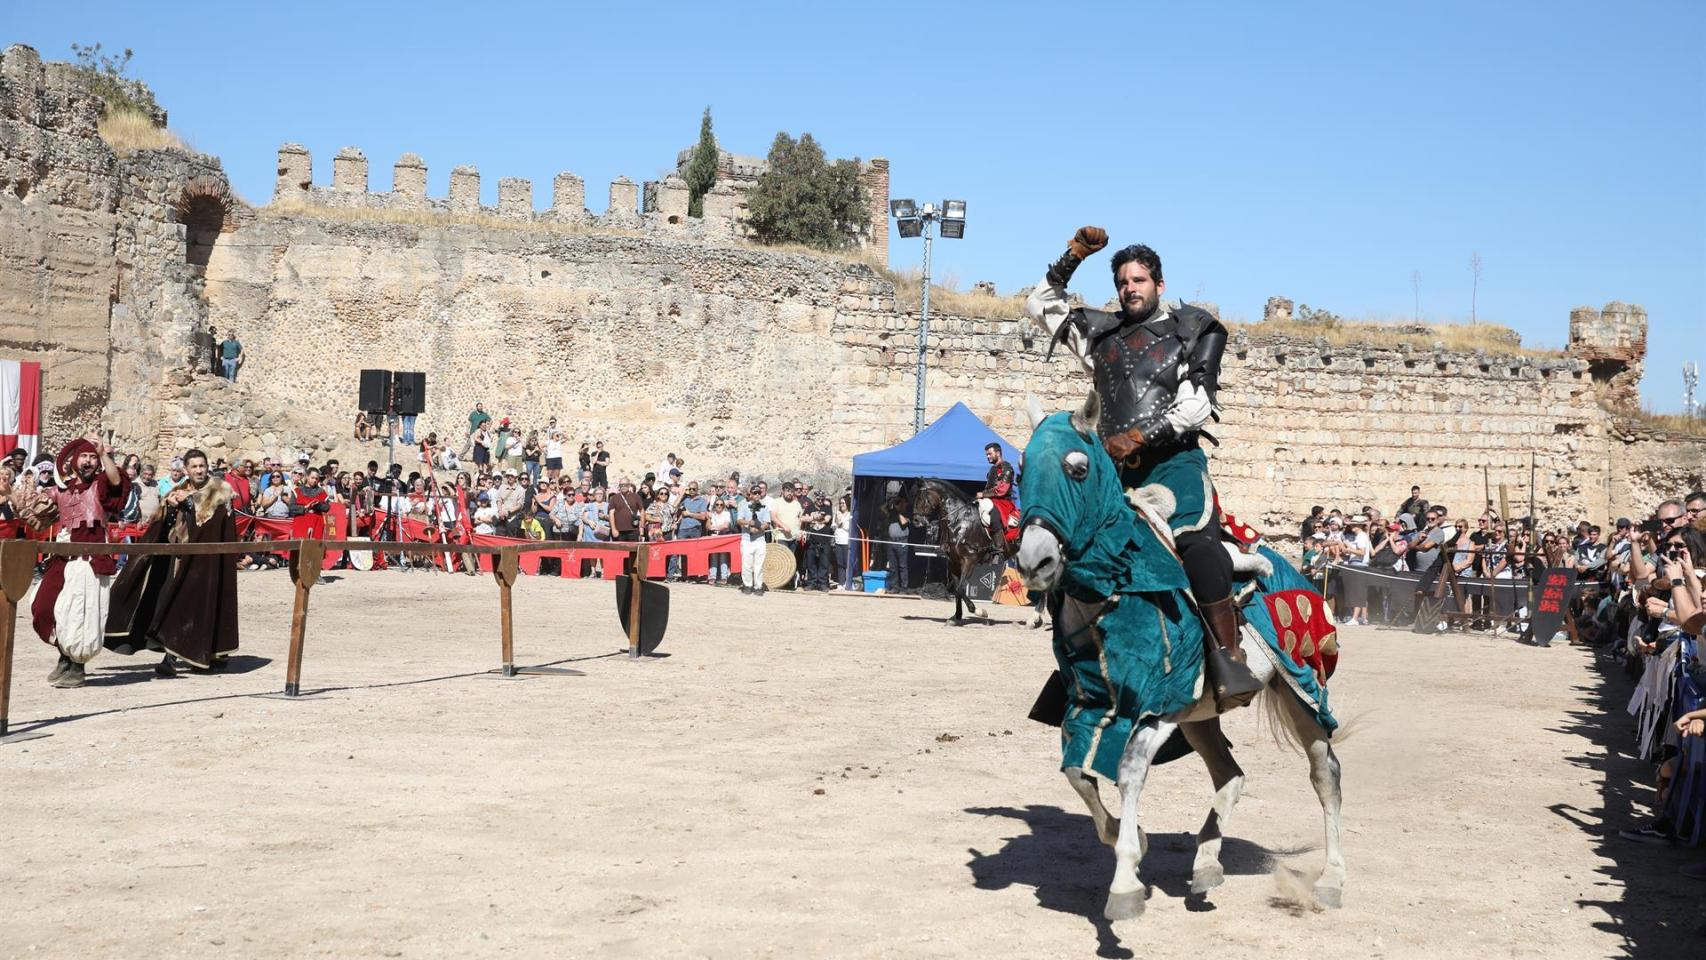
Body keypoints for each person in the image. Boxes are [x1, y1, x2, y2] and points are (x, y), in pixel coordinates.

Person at [1024, 228, 1260, 709]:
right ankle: (1076, 670)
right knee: (1075, 549)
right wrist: (1073, 257)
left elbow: (1197, 406)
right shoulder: (1100, 333)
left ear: (1159, 283)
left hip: (1174, 465)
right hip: (1116, 473)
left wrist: (1138, 436)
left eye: (1140, 279)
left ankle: (1228, 658)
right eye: (1123, 281)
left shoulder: (1195, 329)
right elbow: (1040, 302)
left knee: (1196, 546)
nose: (1130, 288)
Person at [105, 448, 240, 675]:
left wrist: (189, 503)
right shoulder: (179, 490)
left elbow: (213, 526)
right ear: (186, 470)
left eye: (202, 466)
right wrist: (171, 505)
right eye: (194, 466)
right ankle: (171, 657)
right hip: (177, 560)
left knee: (200, 607)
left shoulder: (221, 490)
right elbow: (162, 520)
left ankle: (203, 652)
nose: (199, 470)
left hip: (206, 564)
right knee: (172, 604)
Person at [20, 435, 129, 688]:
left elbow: (116, 482)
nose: (89, 461)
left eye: (93, 457)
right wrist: (12, 494)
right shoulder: (62, 489)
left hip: (89, 561)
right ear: (73, 461)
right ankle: (64, 653)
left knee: (80, 614)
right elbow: (36, 517)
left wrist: (104, 454)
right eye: (85, 456)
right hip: (61, 559)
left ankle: (76, 666)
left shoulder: (101, 485)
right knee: (43, 606)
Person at [737, 484, 772, 595]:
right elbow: (739, 520)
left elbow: (767, 523)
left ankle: (758, 586)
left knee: (759, 565)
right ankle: (747, 585)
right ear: (750, 495)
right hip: (747, 539)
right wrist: (749, 523)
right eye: (754, 493)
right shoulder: (744, 506)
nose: (757, 495)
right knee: (747, 564)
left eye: (758, 493)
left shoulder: (765, 507)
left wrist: (759, 529)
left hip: (759, 539)